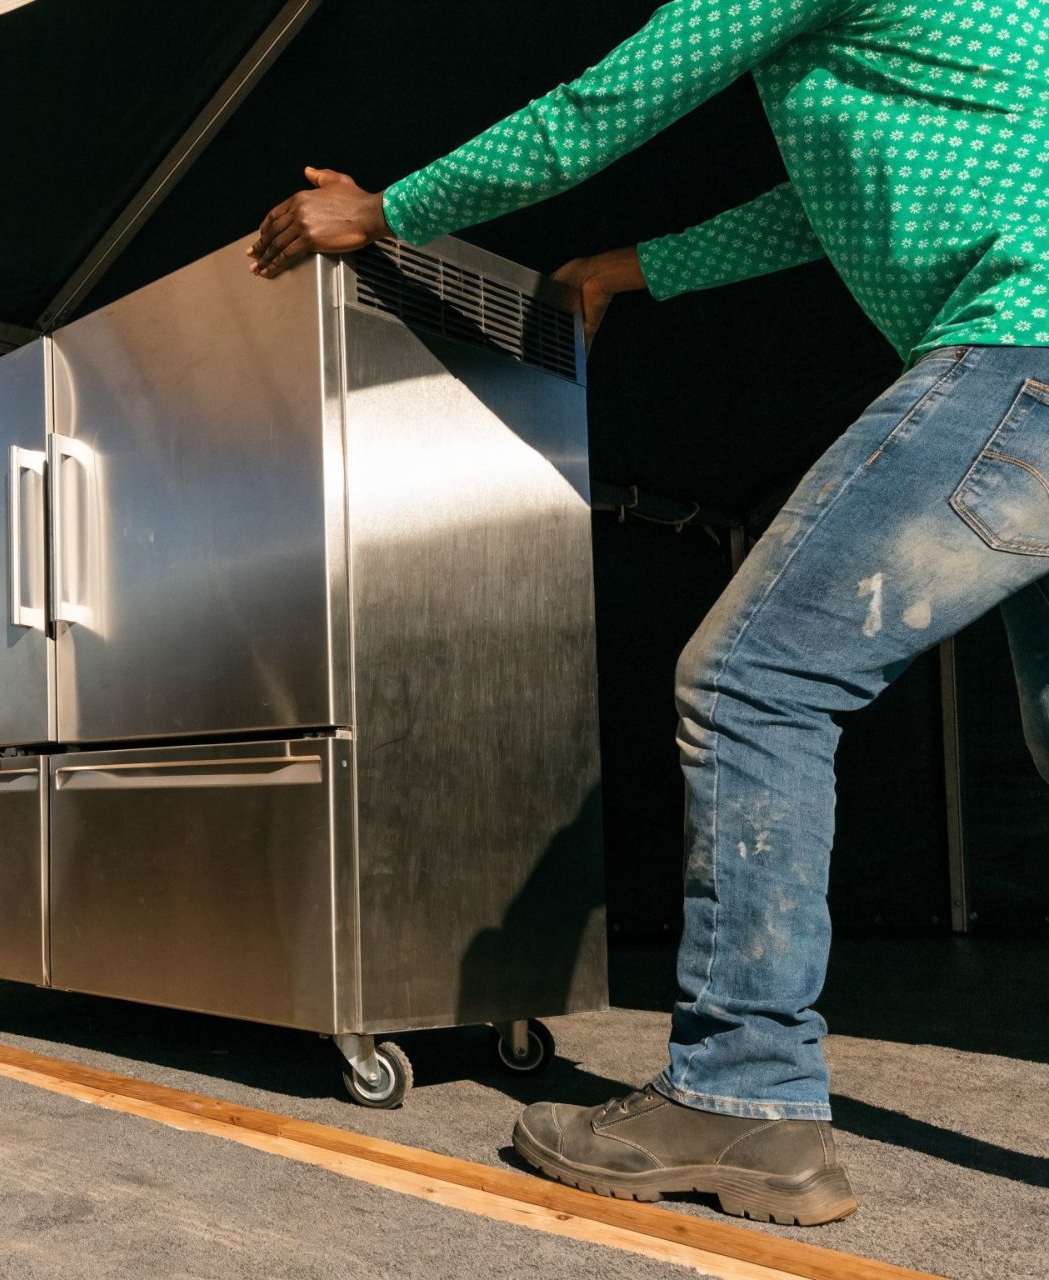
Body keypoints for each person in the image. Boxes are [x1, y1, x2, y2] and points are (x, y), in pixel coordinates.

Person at [249, 0, 1049, 1228]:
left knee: (753, 679)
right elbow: (826, 199)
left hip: (1020, 350)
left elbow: (602, 107)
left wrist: (385, 209)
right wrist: (630, 267)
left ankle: (741, 1091)